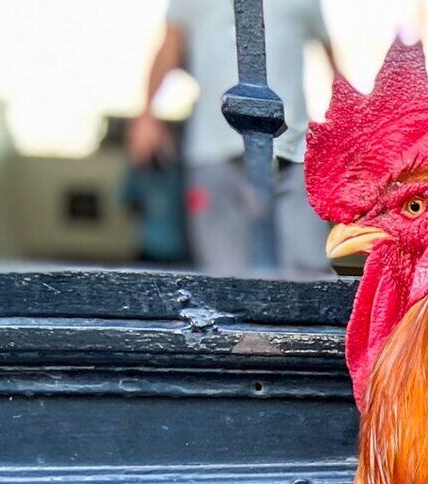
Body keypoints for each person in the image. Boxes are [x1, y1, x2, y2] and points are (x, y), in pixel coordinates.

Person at [129, 0, 334, 277]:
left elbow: (330, 56)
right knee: (226, 276)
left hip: (293, 151)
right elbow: (170, 45)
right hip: (212, 151)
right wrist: (147, 114)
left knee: (306, 274)